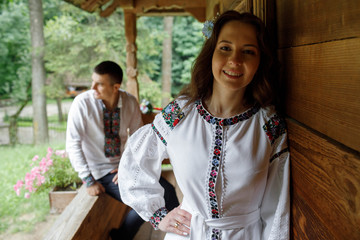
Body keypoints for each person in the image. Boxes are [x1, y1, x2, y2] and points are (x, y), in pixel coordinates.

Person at [118, 11, 290, 240]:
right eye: (225, 48)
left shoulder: (269, 126)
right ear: (211, 53)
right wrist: (159, 216)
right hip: (187, 234)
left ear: (260, 61)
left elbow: (277, 207)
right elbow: (136, 164)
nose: (235, 60)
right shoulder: (180, 113)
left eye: (248, 51)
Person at [66, 61, 179, 239]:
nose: (92, 87)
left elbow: (139, 140)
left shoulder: (129, 102)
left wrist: (128, 167)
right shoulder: (82, 104)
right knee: (146, 199)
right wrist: (88, 179)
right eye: (93, 81)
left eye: (99, 84)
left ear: (115, 87)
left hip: (123, 167)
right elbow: (73, 143)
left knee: (168, 191)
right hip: (100, 172)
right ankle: (123, 236)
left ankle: (124, 236)